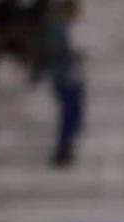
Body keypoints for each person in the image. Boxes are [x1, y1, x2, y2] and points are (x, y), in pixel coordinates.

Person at [39, 0, 84, 168]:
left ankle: (65, 148)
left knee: (72, 115)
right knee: (70, 114)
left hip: (67, 76)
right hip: (64, 77)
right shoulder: (55, 27)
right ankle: (63, 150)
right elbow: (55, 51)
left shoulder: (60, 26)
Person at [0, 0, 46, 90]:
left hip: (21, 40)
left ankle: (36, 73)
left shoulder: (27, 12)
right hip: (2, 35)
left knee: (33, 43)